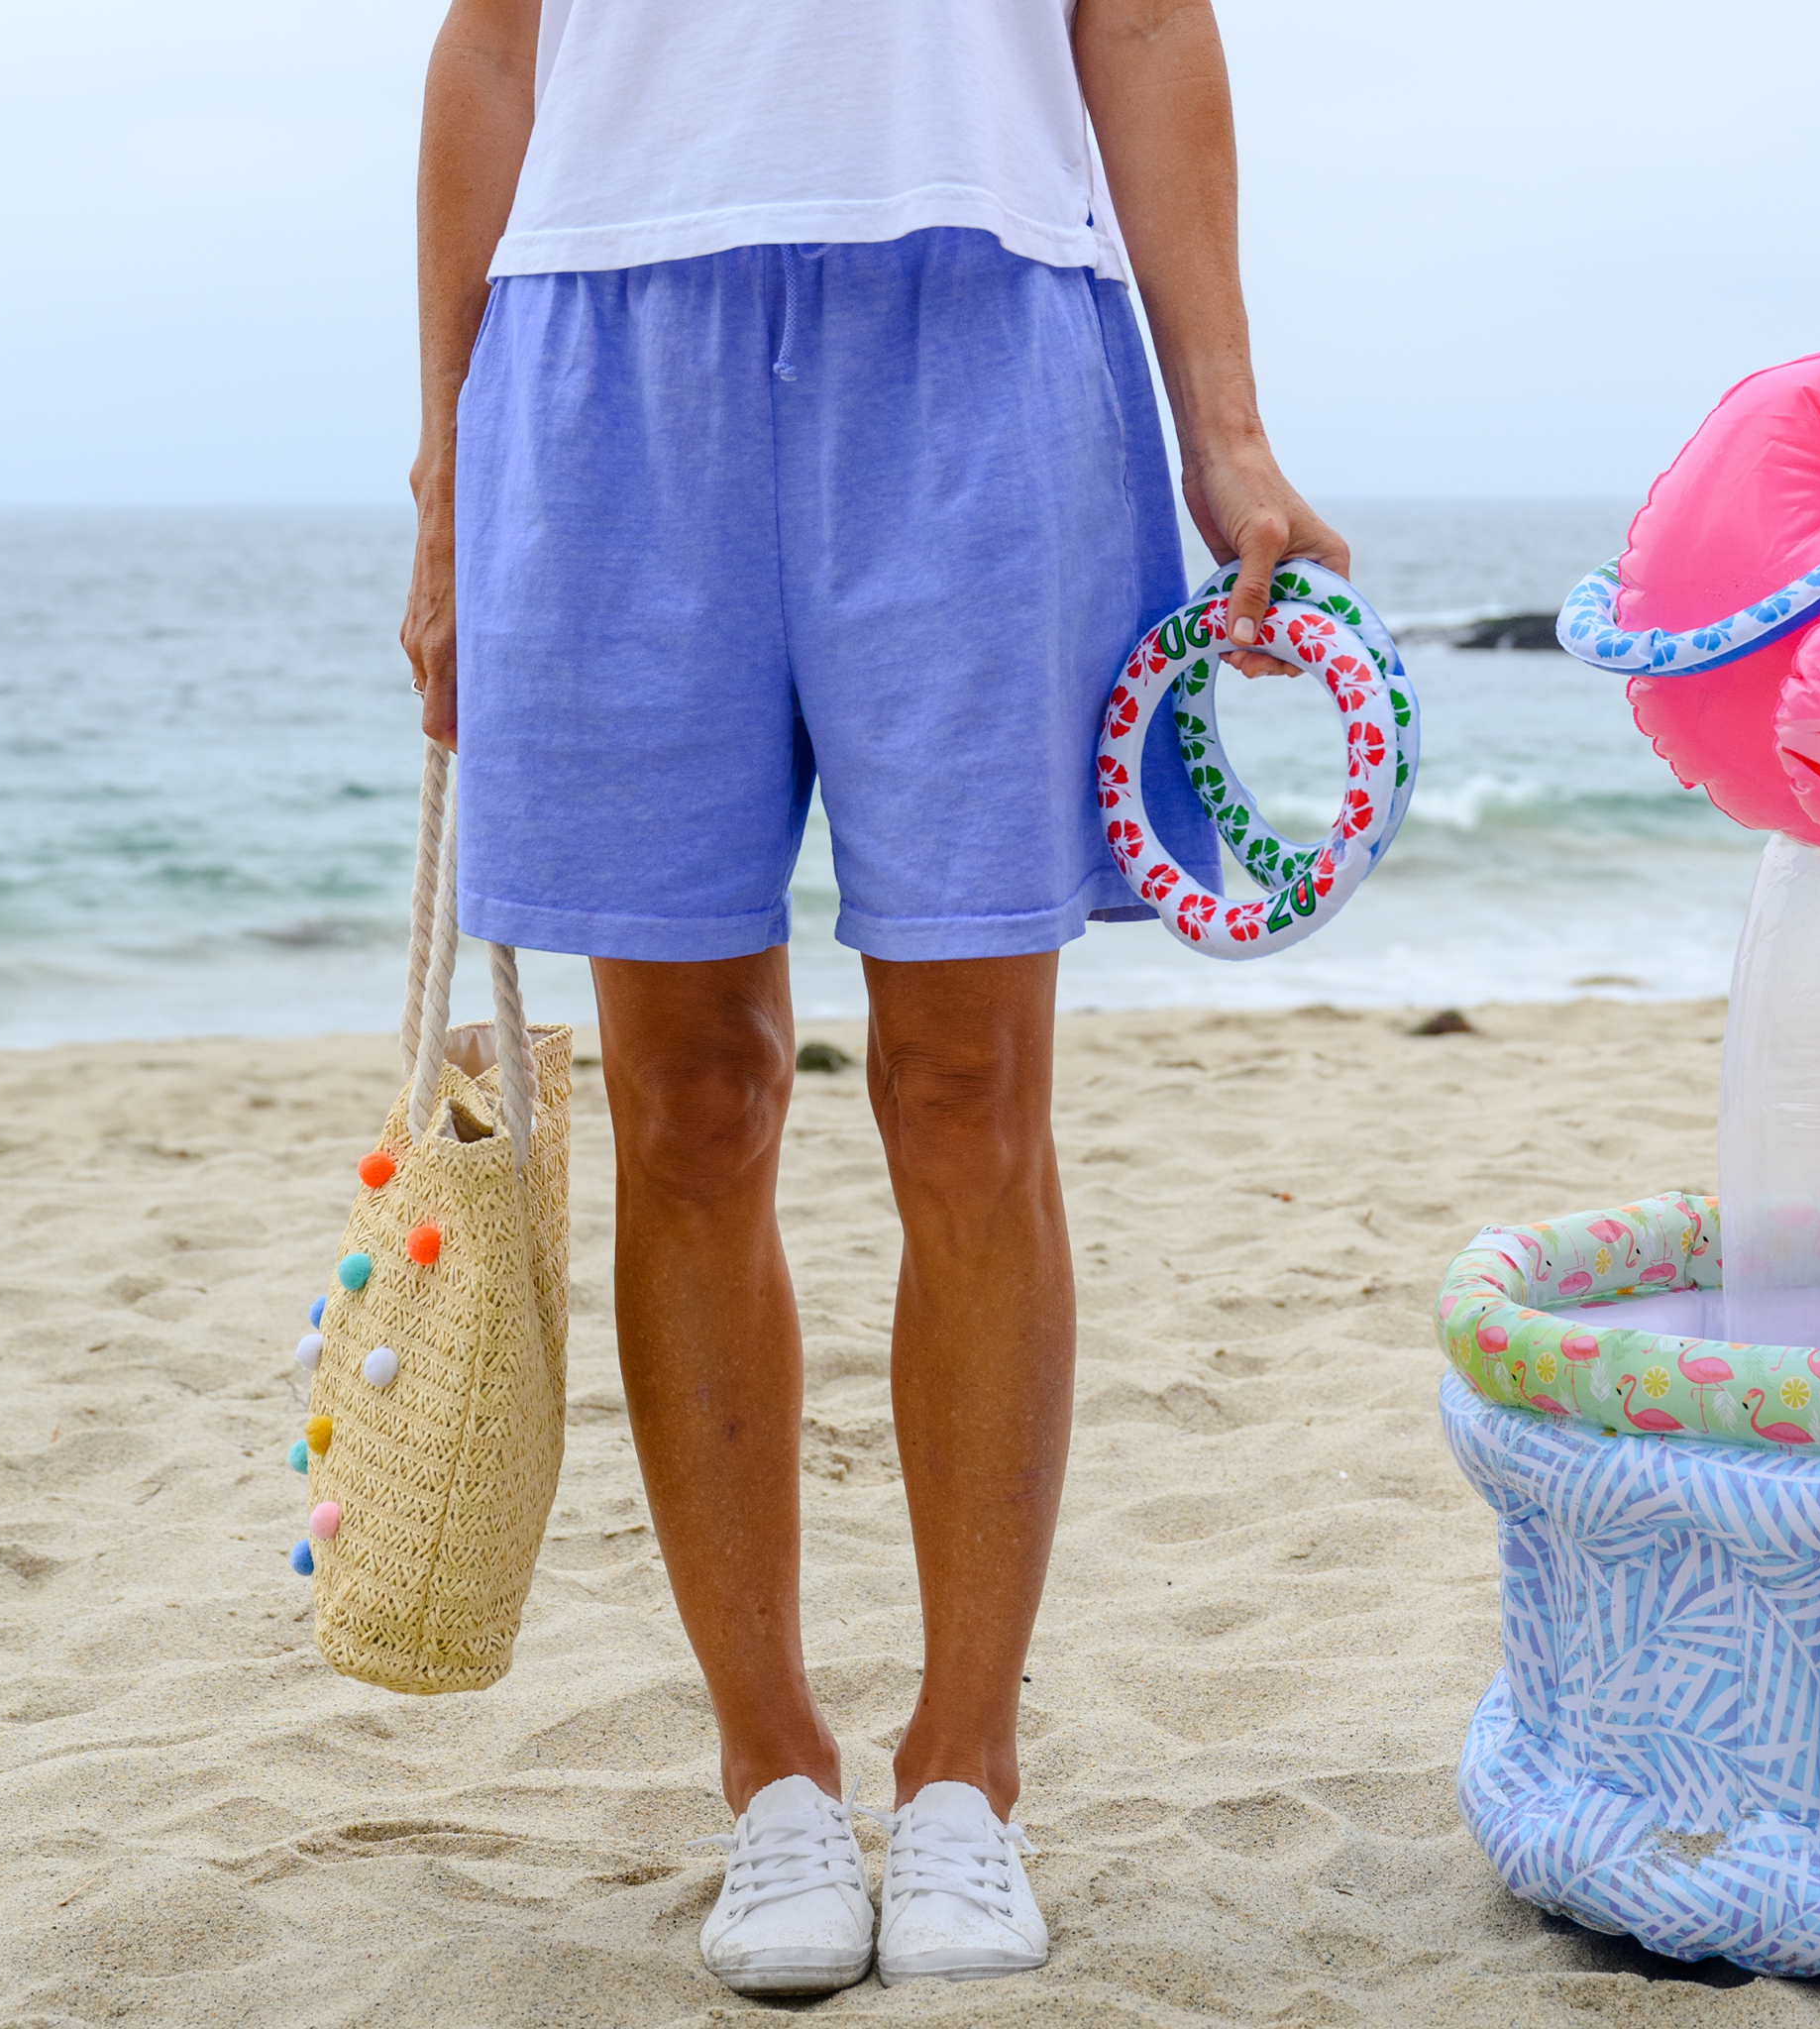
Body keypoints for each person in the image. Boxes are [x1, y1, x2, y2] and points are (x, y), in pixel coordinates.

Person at [400, 0, 1345, 1995]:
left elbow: (1142, 18)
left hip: (986, 335)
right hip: (605, 354)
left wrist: (1227, 431)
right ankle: (771, 1774)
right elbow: (492, 50)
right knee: (688, 1105)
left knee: (967, 1092)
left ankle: (965, 1777)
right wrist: (440, 477)